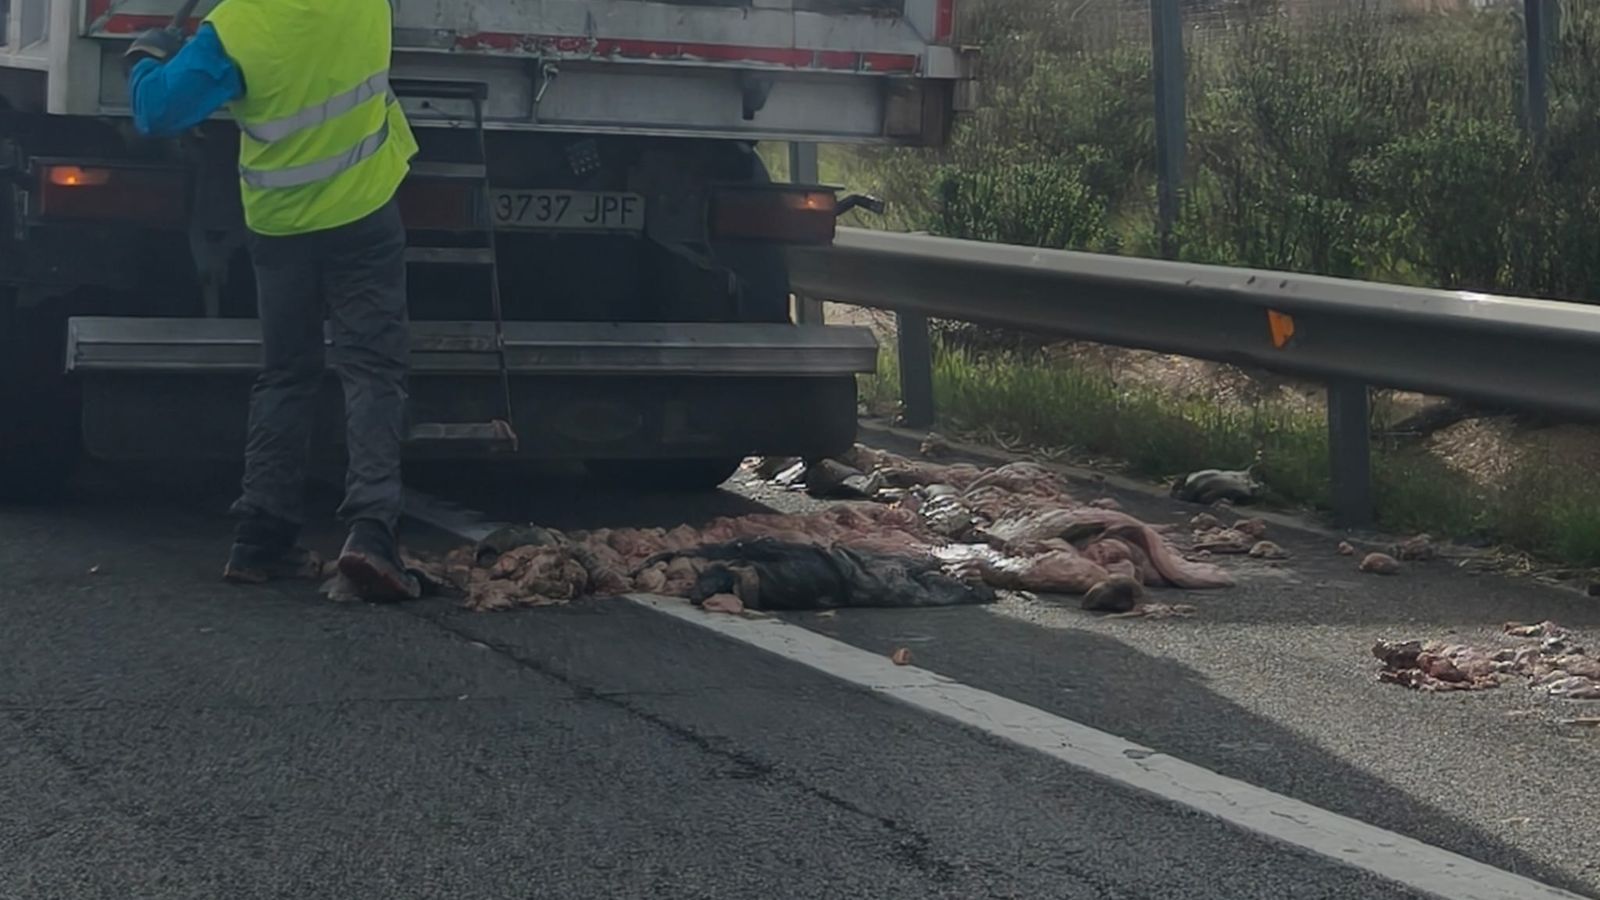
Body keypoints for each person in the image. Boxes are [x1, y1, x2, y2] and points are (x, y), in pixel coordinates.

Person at [126, 0, 422, 601]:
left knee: (286, 373)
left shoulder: (236, 25)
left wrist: (146, 55)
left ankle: (261, 537)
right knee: (372, 370)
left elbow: (156, 113)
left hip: (279, 225)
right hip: (362, 212)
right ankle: (370, 534)